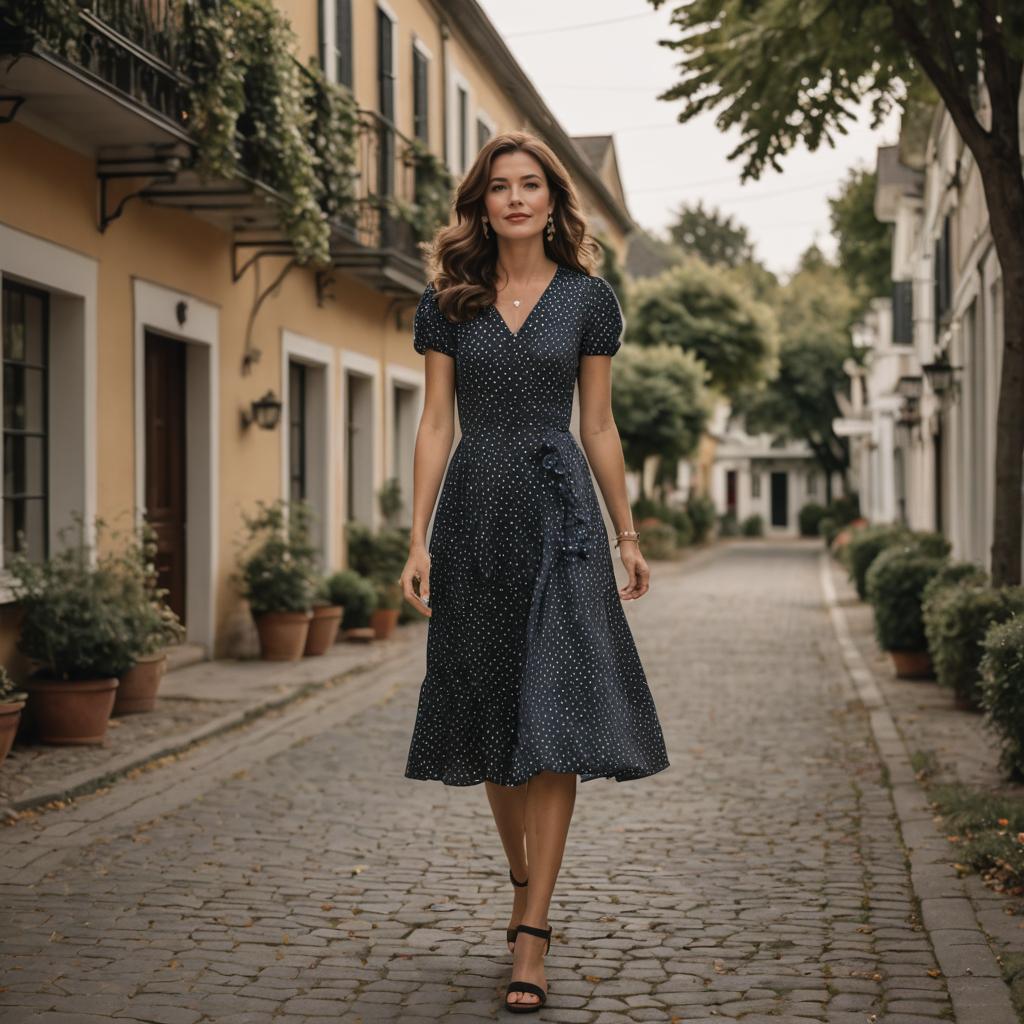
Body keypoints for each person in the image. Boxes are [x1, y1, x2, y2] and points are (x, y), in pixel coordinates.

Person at [398, 129, 670, 1013]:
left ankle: (533, 934)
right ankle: (524, 882)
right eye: (499, 187)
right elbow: (436, 424)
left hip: (561, 520)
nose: (516, 199)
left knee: (552, 711)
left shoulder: (590, 298)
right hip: (475, 514)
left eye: (531, 186)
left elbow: (599, 426)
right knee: (489, 716)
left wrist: (627, 533)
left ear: (553, 201)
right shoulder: (448, 305)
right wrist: (416, 537)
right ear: (481, 204)